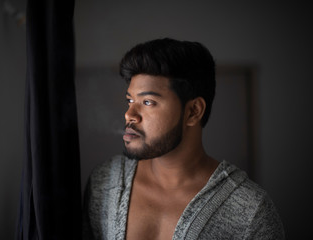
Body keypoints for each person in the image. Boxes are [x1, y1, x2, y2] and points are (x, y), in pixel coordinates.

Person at [83, 38, 285, 239]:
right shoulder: (103, 183)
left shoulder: (251, 211)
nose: (130, 114)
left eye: (147, 101)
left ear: (193, 112)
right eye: (130, 100)